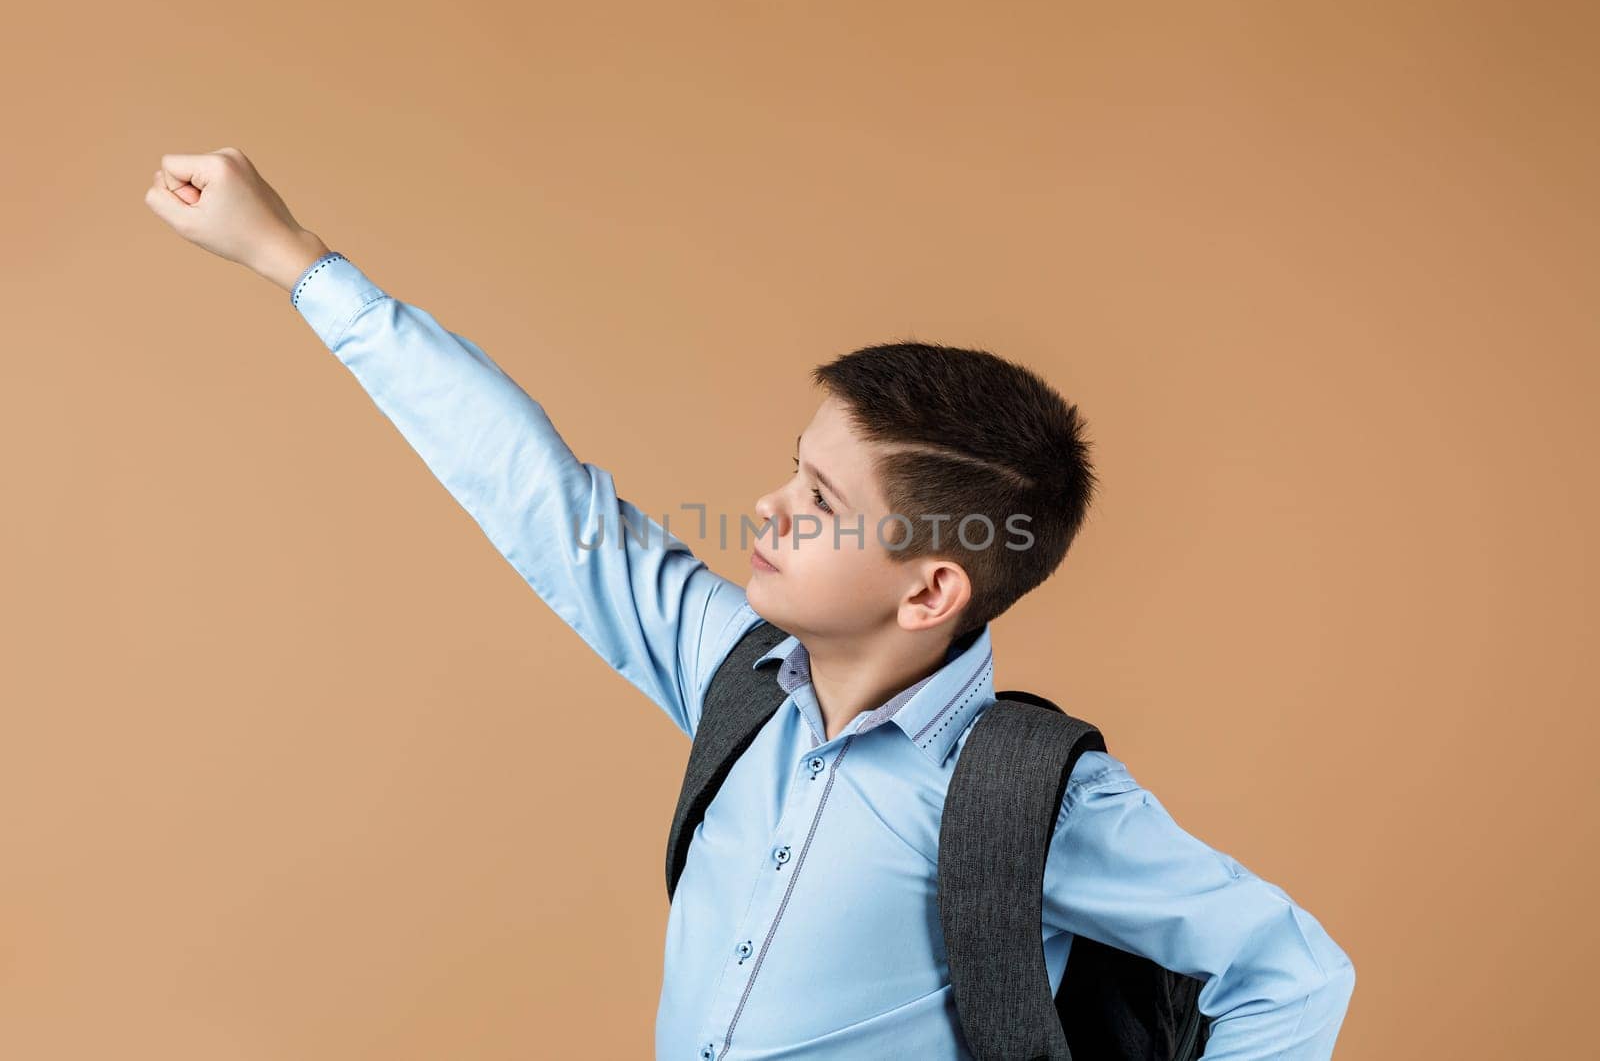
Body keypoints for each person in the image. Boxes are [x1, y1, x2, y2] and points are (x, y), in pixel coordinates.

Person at [144, 148, 1356, 1060]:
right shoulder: (732, 671)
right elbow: (538, 494)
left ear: (932, 586)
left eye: (820, 500)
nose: (766, 508)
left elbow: (1289, 973)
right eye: (794, 465)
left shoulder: (1030, 796)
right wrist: (295, 261)